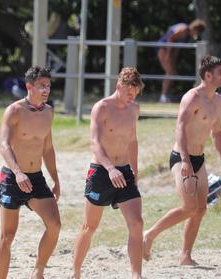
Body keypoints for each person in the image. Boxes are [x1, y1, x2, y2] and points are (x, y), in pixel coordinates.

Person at [144, 55, 221, 265]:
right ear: (208, 75)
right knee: (189, 207)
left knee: (201, 208)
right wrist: (184, 161)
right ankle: (148, 235)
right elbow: (180, 128)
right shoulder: (192, 98)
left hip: (198, 158)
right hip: (181, 157)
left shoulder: (218, 100)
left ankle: (185, 256)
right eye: (220, 72)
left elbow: (217, 132)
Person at [71, 67, 144, 279]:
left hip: (124, 172)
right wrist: (110, 169)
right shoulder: (101, 108)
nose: (132, 98)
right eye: (129, 93)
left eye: (135, 94)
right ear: (119, 86)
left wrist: (134, 170)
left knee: (137, 224)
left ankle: (136, 274)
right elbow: (94, 142)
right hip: (102, 173)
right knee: (89, 227)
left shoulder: (134, 109)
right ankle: (75, 272)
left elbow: (132, 140)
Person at [0, 66, 61, 279]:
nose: (46, 90)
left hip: (36, 177)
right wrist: (17, 172)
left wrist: (56, 179)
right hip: (13, 178)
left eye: (48, 86)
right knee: (7, 235)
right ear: (29, 86)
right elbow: (4, 146)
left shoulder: (48, 112)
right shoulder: (14, 111)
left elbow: (48, 148)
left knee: (54, 226)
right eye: (42, 86)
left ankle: (37, 272)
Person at [157, 19, 206, 103]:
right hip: (163, 48)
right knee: (170, 72)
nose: (196, 35)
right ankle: (163, 96)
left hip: (168, 50)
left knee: (172, 73)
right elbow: (170, 38)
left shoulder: (186, 36)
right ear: (195, 29)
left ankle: (165, 95)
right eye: (197, 33)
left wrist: (173, 59)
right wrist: (168, 55)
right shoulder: (183, 29)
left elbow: (177, 48)